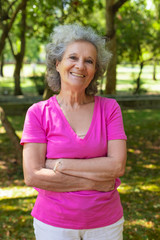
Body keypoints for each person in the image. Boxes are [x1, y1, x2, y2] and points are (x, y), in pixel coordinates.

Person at [21, 24, 127, 240]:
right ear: (57, 63)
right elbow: (32, 176)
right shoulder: (38, 113)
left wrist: (59, 165)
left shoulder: (110, 109)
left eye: (89, 61)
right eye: (73, 57)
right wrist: (93, 182)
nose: (81, 66)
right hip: (53, 224)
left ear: (95, 70)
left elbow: (117, 165)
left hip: (106, 223)